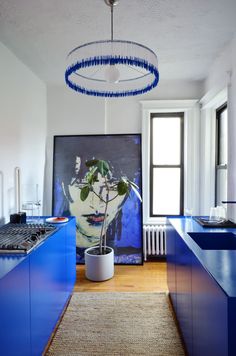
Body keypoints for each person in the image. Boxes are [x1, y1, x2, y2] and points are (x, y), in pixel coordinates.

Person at [53, 135, 142, 263]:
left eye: (111, 186)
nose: (97, 204)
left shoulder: (130, 257)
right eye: (83, 185)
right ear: (64, 187)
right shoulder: (57, 254)